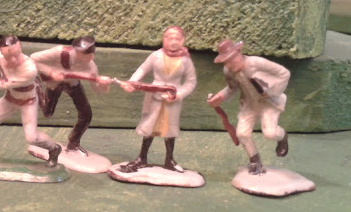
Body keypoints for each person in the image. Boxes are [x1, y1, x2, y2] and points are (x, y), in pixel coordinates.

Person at [0, 35, 62, 167]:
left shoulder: (29, 69)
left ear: (20, 48)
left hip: (28, 101)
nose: (13, 60)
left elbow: (5, 83)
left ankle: (54, 149)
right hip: (10, 98)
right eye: (8, 56)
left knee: (31, 137)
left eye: (16, 55)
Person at [119, 26, 197, 172]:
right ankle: (142, 158)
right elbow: (142, 69)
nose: (173, 42)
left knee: (170, 130)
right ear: (163, 39)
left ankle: (169, 160)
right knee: (149, 128)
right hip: (155, 97)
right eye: (169, 38)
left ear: (183, 40)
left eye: (177, 39)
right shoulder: (156, 56)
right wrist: (132, 83)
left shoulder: (186, 61)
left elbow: (191, 82)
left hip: (172, 100)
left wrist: (177, 94)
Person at [207, 39, 290, 175]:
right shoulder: (228, 71)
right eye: (226, 61)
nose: (230, 64)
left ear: (239, 52)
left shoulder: (256, 63)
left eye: (232, 59)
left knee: (270, 133)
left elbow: (284, 73)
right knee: (242, 134)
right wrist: (219, 97)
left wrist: (272, 90)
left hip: (268, 103)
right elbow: (231, 89)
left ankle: (282, 137)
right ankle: (255, 161)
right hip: (249, 104)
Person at [30, 36, 111, 154]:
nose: (92, 57)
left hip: (73, 85)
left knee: (86, 115)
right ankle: (37, 87)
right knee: (48, 112)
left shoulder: (91, 67)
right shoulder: (59, 52)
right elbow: (33, 58)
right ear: (77, 51)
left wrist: (104, 86)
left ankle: (73, 143)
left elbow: (99, 91)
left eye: (92, 53)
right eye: (87, 54)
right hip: (54, 83)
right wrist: (51, 73)